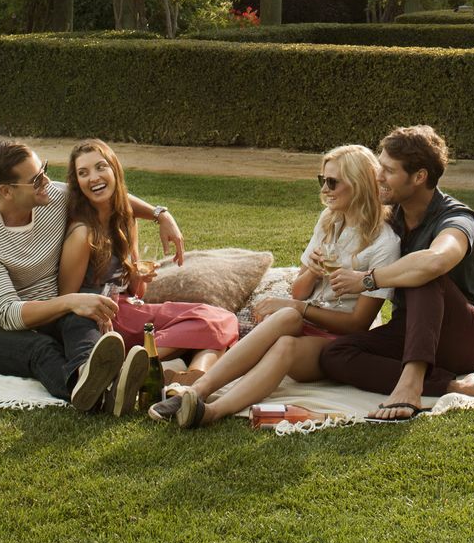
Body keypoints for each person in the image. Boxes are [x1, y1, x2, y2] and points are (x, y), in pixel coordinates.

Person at [150, 143, 400, 428]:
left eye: (333, 182)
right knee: (289, 315)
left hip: (340, 344)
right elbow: (299, 291)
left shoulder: (384, 243)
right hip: (307, 322)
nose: (325, 189)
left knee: (287, 336)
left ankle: (211, 412)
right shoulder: (330, 221)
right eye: (322, 180)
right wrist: (312, 274)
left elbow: (358, 325)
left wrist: (299, 308)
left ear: (359, 184)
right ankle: (196, 392)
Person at [0, 140, 185, 414]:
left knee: (83, 314)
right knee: (41, 348)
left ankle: (94, 372)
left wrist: (161, 214)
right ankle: (90, 390)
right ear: (6, 191)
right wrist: (69, 302)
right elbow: (8, 314)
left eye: (43, 169)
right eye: (36, 179)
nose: (46, 181)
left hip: (50, 313)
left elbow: (107, 198)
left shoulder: (50, 197)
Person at [317, 125, 474, 420]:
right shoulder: (390, 216)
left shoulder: (457, 217)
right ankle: (451, 385)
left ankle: (411, 385)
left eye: (388, 170)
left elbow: (435, 261)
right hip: (411, 330)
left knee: (424, 274)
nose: (378, 176)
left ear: (419, 176)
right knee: (334, 355)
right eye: (379, 167)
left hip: (462, 339)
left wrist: (366, 280)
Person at [58, 138, 238, 407]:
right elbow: (67, 300)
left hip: (129, 312)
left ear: (115, 170)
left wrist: (137, 277)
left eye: (100, 167)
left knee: (220, 331)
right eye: (83, 173)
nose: (93, 177)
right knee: (219, 322)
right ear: (77, 183)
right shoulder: (83, 233)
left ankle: (188, 380)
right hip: (104, 319)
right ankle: (137, 362)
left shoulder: (126, 220)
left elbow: (136, 292)